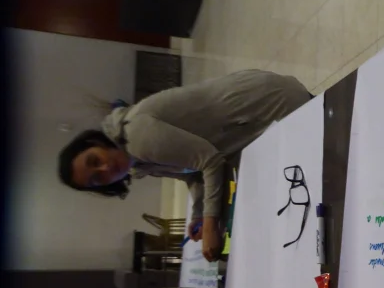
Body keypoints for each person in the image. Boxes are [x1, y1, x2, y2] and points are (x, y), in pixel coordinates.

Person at [58, 70, 312, 261]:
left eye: (95, 161)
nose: (105, 169)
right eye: (97, 179)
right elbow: (192, 174)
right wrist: (199, 213)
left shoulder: (136, 138)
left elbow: (210, 161)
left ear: (96, 143)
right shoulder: (137, 163)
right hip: (249, 119)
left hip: (263, 104)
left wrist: (210, 225)